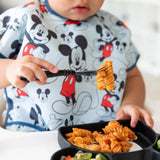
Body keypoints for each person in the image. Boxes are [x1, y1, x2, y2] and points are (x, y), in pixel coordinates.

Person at [0, 0, 153, 132]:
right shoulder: (22, 19)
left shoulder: (115, 29)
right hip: (32, 134)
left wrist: (131, 103)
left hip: (102, 135)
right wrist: (8, 70)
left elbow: (133, 76)